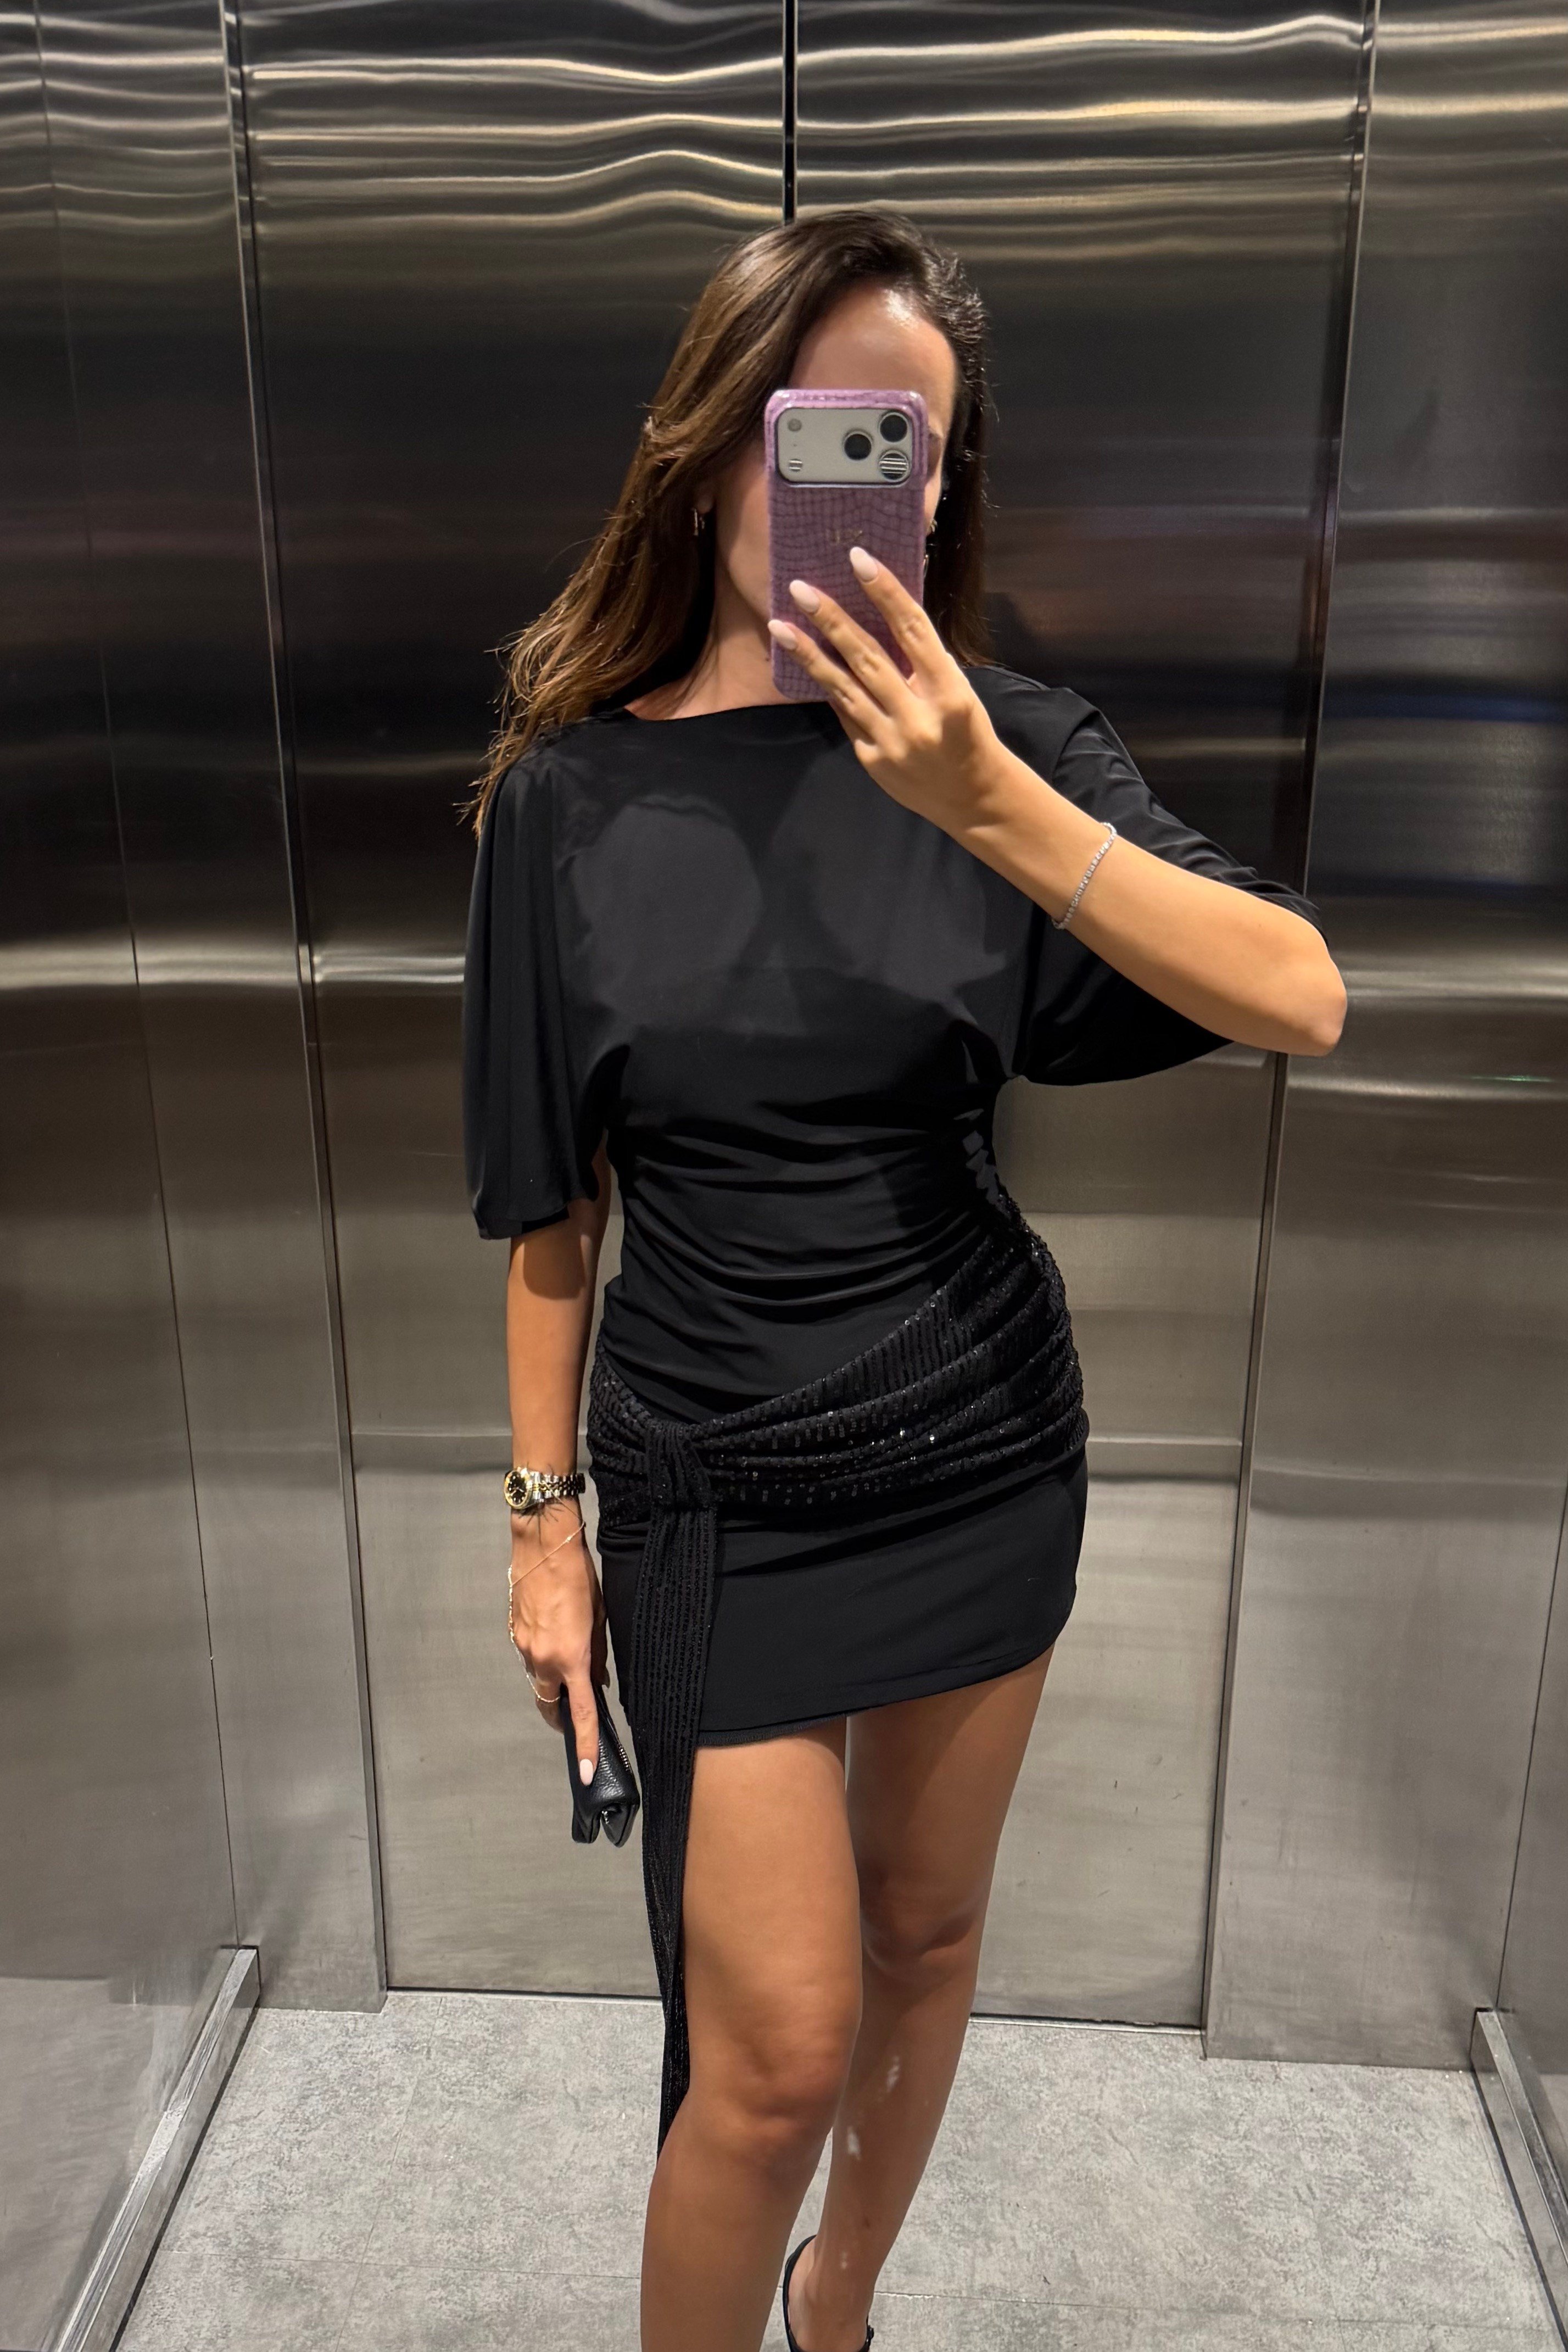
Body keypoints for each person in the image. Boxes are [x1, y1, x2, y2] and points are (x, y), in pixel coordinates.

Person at [462, 208, 1345, 2352]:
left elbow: (1299, 994)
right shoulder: (570, 800)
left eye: (908, 447)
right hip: (715, 1485)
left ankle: (839, 2304)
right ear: (712, 449)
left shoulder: (1008, 747)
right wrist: (544, 1525)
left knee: (929, 1940)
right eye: (818, 427)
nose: (861, 480)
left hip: (978, 1441)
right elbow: (552, 1213)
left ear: (940, 491)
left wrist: (991, 804)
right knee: (770, 2059)